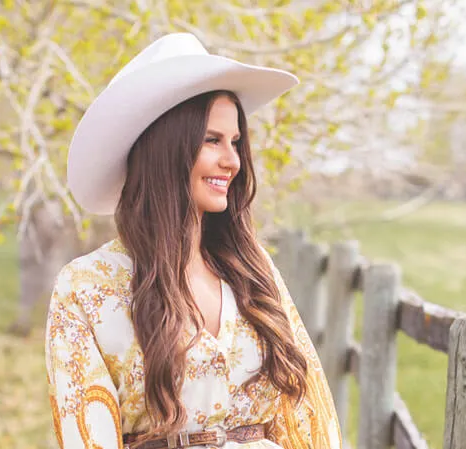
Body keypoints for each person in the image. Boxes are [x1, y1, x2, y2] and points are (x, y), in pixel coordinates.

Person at [45, 33, 342, 449]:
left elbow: (309, 421)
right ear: (166, 149)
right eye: (212, 140)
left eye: (235, 142)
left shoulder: (253, 271)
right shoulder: (87, 288)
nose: (233, 161)